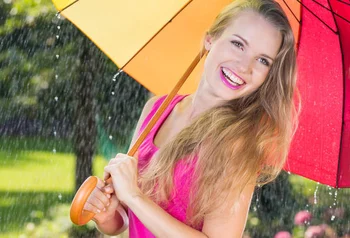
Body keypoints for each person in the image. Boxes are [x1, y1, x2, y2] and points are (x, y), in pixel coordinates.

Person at [82, 0, 298, 236]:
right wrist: (107, 213)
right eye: (238, 44)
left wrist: (134, 196)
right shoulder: (157, 109)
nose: (245, 66)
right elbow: (127, 221)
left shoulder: (236, 146)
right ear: (210, 39)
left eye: (263, 60)